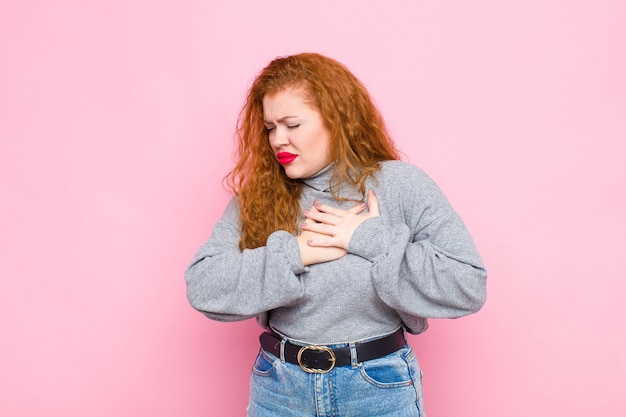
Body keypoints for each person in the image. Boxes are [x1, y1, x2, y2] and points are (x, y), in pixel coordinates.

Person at [185, 52, 487, 417]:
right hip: (279, 390)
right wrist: (296, 253)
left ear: (336, 119)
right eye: (270, 127)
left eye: (292, 125)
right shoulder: (258, 198)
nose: (278, 139)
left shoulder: (399, 185)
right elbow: (203, 286)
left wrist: (367, 238)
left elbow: (467, 284)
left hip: (378, 390)